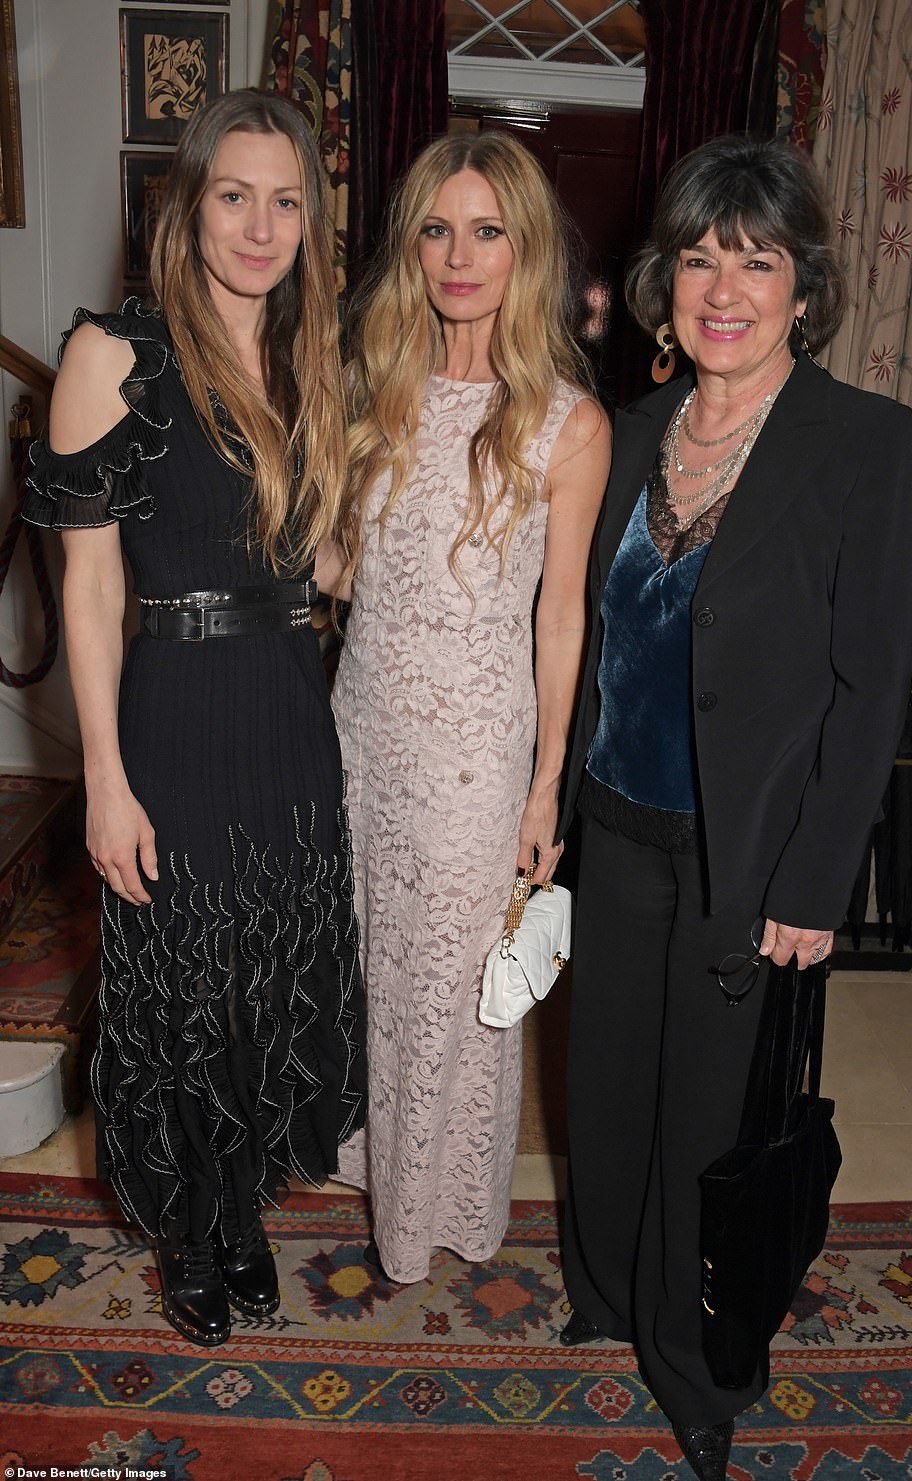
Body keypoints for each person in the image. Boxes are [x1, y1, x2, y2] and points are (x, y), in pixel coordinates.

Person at [555, 136, 912, 1479]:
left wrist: (814, 887)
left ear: (800, 287)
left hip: (747, 854)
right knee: (600, 1089)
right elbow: (583, 642)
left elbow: (865, 681)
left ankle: (695, 1356)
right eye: (701, 254)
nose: (725, 285)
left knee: (703, 1120)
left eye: (755, 259)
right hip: (613, 823)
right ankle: (602, 1293)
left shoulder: (865, 442)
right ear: (666, 279)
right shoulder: (631, 429)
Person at [23, 90, 366, 1347]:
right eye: (235, 194)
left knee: (263, 988)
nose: (259, 225)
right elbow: (92, 584)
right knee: (179, 987)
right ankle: (194, 1226)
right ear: (187, 202)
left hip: (286, 707)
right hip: (169, 709)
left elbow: (325, 562)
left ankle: (240, 1211)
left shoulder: (316, 356)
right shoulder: (113, 355)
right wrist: (103, 774)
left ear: (309, 221)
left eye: (285, 201)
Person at [318, 131, 610, 1284]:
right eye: (437, 228)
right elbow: (342, 569)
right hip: (359, 730)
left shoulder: (565, 423)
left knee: (451, 990)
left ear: (525, 251)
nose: (458, 254)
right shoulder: (371, 385)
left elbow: (560, 621)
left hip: (473, 753)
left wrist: (544, 788)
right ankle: (373, 1169)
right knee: (368, 965)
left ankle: (427, 1217)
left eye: (487, 230)